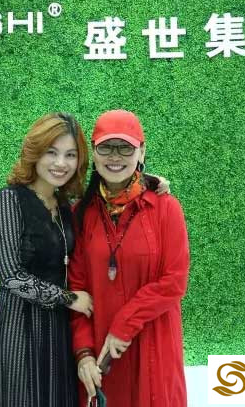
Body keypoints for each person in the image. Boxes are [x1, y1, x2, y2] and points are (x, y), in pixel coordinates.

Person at [69, 109, 190, 407]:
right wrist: (84, 354)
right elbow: (77, 290)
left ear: (141, 151)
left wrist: (124, 324)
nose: (115, 156)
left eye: (125, 147)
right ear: (94, 153)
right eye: (106, 147)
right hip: (103, 355)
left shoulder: (165, 208)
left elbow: (174, 282)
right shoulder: (81, 214)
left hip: (153, 347)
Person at [0, 112, 93, 407]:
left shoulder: (66, 206)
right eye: (51, 152)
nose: (61, 163)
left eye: (70, 155)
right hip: (19, 328)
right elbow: (10, 275)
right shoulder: (9, 200)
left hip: (58, 330)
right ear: (35, 152)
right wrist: (69, 298)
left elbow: (108, 193)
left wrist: (148, 180)